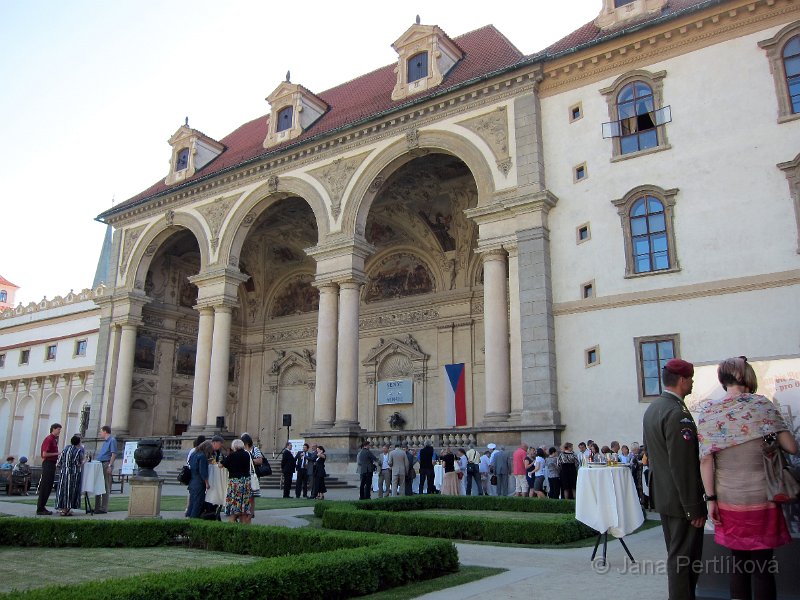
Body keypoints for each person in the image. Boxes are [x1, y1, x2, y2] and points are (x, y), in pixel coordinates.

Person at [697, 356, 798, 600]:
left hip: (729, 499)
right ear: (746, 377)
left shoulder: (709, 411)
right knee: (763, 566)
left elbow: (706, 460)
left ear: (724, 378)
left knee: (738, 562)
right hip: (763, 498)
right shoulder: (762, 406)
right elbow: (792, 448)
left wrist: (711, 500)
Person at [643, 358, 706, 600]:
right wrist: (694, 508)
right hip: (682, 501)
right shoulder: (676, 413)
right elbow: (683, 466)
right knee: (684, 561)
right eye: (690, 380)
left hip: (666, 496)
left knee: (678, 556)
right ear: (682, 380)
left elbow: (650, 453)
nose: (691, 384)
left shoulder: (653, 408)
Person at [221, 438, 253, 524]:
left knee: (234, 506)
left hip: (235, 482)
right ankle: (244, 525)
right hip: (245, 482)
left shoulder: (232, 455)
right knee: (244, 506)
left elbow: (222, 464)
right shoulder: (247, 455)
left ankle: (232, 523)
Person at [55, 434, 84, 516]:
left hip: (63, 472)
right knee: (70, 491)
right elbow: (79, 463)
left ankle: (62, 508)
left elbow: (59, 463)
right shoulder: (78, 451)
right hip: (73, 474)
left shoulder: (65, 450)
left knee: (62, 490)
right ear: (78, 443)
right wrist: (85, 461)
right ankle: (66, 509)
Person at [36, 423, 62, 515]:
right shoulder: (49, 439)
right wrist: (57, 453)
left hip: (52, 464)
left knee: (49, 485)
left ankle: (42, 506)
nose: (59, 431)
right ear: (53, 429)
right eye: (58, 429)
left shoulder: (54, 440)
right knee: (46, 485)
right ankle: (40, 508)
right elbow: (44, 454)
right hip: (48, 463)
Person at [94, 425, 117, 514]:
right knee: (99, 484)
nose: (100, 433)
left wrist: (110, 466)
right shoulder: (105, 442)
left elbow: (114, 454)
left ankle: (103, 507)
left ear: (105, 432)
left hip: (106, 463)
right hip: (100, 463)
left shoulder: (112, 440)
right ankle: (97, 507)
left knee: (105, 485)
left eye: (101, 431)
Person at [187, 440, 211, 518]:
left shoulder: (194, 454)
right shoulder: (202, 456)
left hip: (192, 480)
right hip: (199, 483)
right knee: (198, 503)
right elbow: (203, 472)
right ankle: (193, 519)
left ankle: (188, 516)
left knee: (192, 502)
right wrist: (207, 483)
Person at [241, 433, 263, 515]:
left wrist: (249, 460)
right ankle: (244, 510)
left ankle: (251, 512)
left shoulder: (255, 449)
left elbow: (260, 461)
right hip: (244, 474)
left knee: (252, 496)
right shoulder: (242, 450)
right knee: (244, 495)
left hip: (253, 475)